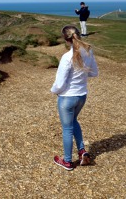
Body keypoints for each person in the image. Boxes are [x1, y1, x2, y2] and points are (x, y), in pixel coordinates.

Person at [51, 25, 98, 171]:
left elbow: (60, 83)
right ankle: (82, 151)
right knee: (74, 121)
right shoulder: (89, 52)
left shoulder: (66, 57)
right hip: (82, 96)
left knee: (67, 128)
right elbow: (94, 73)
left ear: (66, 39)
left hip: (67, 98)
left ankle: (67, 161)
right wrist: (82, 75)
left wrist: (54, 91)